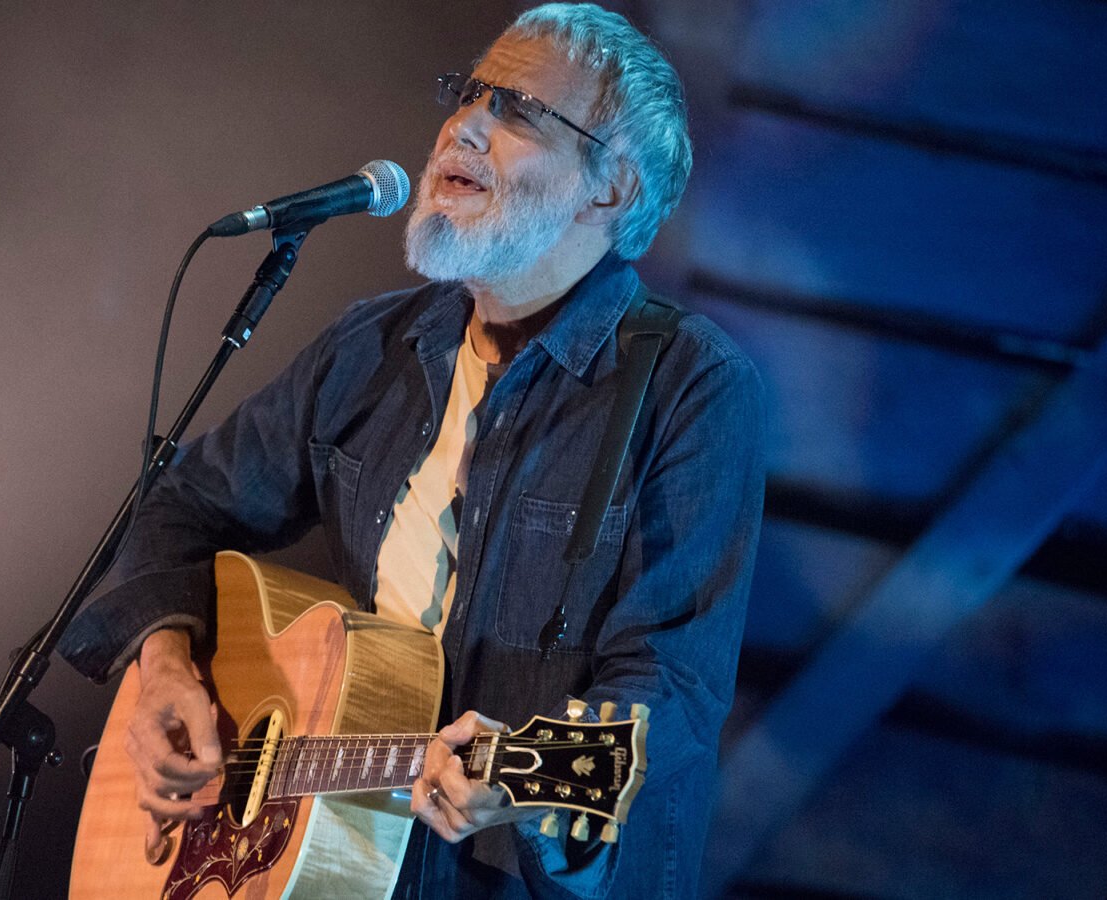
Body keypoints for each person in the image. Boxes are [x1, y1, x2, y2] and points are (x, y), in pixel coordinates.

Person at [59, 3, 764, 896]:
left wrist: (520, 784)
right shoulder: (375, 347)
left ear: (609, 188)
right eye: (469, 95)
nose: (463, 125)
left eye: (518, 111)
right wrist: (162, 661)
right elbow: (178, 502)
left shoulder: (691, 386)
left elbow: (672, 686)